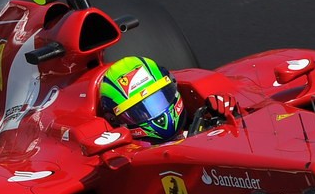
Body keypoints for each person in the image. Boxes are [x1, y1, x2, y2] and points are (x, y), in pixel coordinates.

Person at [98, 55, 237, 143]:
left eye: (158, 100)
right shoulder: (127, 154)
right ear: (115, 120)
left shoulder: (200, 122)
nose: (158, 115)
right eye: (138, 112)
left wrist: (232, 112)